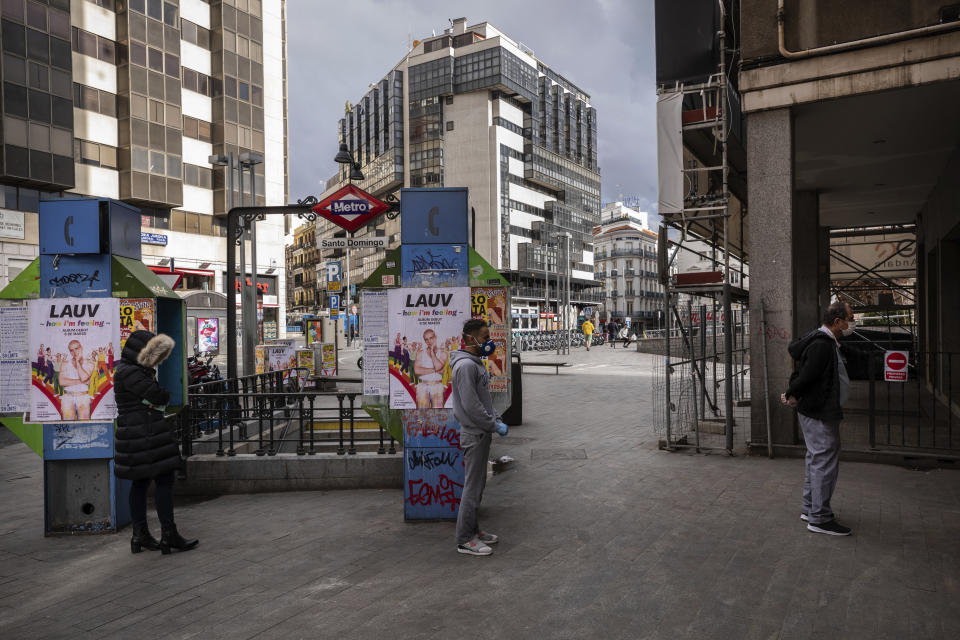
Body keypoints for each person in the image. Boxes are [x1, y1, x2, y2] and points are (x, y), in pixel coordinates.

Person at [114, 330, 198, 555]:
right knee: (164, 479)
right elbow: (160, 396)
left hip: (141, 432)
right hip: (144, 433)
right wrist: (157, 395)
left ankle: (140, 535)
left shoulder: (131, 371)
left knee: (141, 482)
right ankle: (167, 534)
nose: (157, 360)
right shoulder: (131, 373)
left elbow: (154, 398)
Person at [781, 301, 855, 537]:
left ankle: (810, 508)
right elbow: (808, 375)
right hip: (820, 411)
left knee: (816, 458)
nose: (851, 323)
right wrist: (792, 392)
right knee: (824, 460)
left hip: (815, 410)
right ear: (837, 321)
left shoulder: (821, 340)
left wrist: (794, 393)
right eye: (849, 319)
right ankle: (820, 518)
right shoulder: (822, 345)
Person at [450, 319, 508, 556]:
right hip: (474, 434)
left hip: (481, 433)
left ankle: (474, 530)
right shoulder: (465, 367)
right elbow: (472, 406)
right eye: (485, 337)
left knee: (478, 485)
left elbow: (484, 400)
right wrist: (494, 424)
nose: (489, 341)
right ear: (471, 339)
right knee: (472, 488)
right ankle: (464, 539)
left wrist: (495, 419)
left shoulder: (476, 364)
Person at [414, 328, 449, 408]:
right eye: (426, 339)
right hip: (422, 386)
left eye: (431, 338)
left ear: (435, 337)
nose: (429, 341)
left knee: (438, 413)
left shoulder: (443, 353)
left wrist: (432, 352)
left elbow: (438, 366)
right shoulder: (420, 353)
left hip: (437, 386)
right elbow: (417, 370)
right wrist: (436, 370)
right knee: (421, 414)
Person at [59, 340, 93, 420]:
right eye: (71, 350)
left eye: (76, 348)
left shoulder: (89, 363)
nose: (74, 352)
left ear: (81, 348)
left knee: (85, 424)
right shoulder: (65, 363)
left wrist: (77, 362)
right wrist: (82, 382)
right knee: (68, 425)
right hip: (68, 397)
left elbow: (84, 377)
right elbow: (61, 382)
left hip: (83, 397)